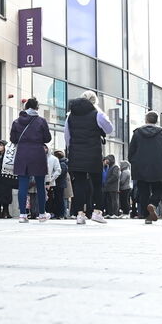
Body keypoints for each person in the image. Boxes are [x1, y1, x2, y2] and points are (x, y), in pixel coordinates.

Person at [64, 90, 113, 224]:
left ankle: (80, 214)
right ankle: (97, 212)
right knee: (97, 184)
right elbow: (109, 129)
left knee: (79, 184)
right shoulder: (97, 114)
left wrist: (73, 148)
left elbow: (67, 136)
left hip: (76, 153)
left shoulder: (70, 116)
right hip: (93, 154)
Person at [11, 97, 53, 223]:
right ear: (37, 108)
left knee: (22, 185)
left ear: (25, 107)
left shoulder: (17, 122)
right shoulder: (41, 121)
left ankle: (23, 215)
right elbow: (47, 138)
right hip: (37, 154)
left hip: (22, 154)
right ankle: (41, 214)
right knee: (40, 185)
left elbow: (13, 139)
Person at [128, 111, 162, 223]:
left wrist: (134, 163)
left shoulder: (137, 133)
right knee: (159, 189)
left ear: (146, 120)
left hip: (141, 167)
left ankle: (147, 216)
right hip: (158, 166)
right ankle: (153, 204)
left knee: (143, 191)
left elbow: (131, 150)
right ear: (156, 121)